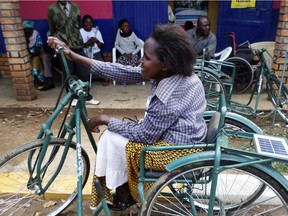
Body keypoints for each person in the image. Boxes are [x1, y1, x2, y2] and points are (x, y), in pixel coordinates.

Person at [47, 23, 207, 212]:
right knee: (112, 137)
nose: (141, 61)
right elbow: (122, 71)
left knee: (112, 139)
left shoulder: (169, 97)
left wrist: (105, 119)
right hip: (186, 136)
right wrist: (74, 56)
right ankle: (124, 196)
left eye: (146, 58)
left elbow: (145, 136)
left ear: (165, 64)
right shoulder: (176, 74)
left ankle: (125, 196)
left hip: (176, 150)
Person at [47, 0, 99, 105]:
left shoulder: (76, 7)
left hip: (77, 44)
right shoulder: (51, 9)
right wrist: (56, 43)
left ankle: (86, 96)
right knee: (68, 72)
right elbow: (52, 29)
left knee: (83, 70)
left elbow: (78, 25)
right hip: (63, 45)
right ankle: (73, 98)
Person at [80, 14, 110, 86]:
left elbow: (102, 46)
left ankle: (106, 79)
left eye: (90, 22)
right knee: (83, 67)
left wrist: (96, 41)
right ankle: (85, 80)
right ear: (83, 23)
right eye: (87, 22)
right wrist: (87, 43)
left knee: (102, 65)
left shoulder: (96, 31)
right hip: (85, 53)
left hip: (96, 52)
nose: (89, 24)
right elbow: (78, 45)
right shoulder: (80, 32)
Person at [114, 19, 143, 86]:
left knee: (135, 62)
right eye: (125, 26)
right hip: (124, 55)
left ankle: (137, 79)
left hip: (133, 54)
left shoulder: (132, 34)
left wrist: (132, 54)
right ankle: (124, 80)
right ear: (121, 28)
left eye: (128, 26)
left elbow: (140, 45)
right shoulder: (118, 33)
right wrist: (123, 53)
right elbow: (116, 45)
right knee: (120, 62)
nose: (127, 27)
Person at [23, 20, 45, 89]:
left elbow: (38, 50)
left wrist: (31, 56)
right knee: (29, 68)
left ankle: (41, 82)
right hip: (28, 55)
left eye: (29, 30)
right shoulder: (23, 37)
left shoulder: (36, 35)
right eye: (26, 30)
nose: (28, 32)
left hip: (37, 55)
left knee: (36, 68)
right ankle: (32, 82)